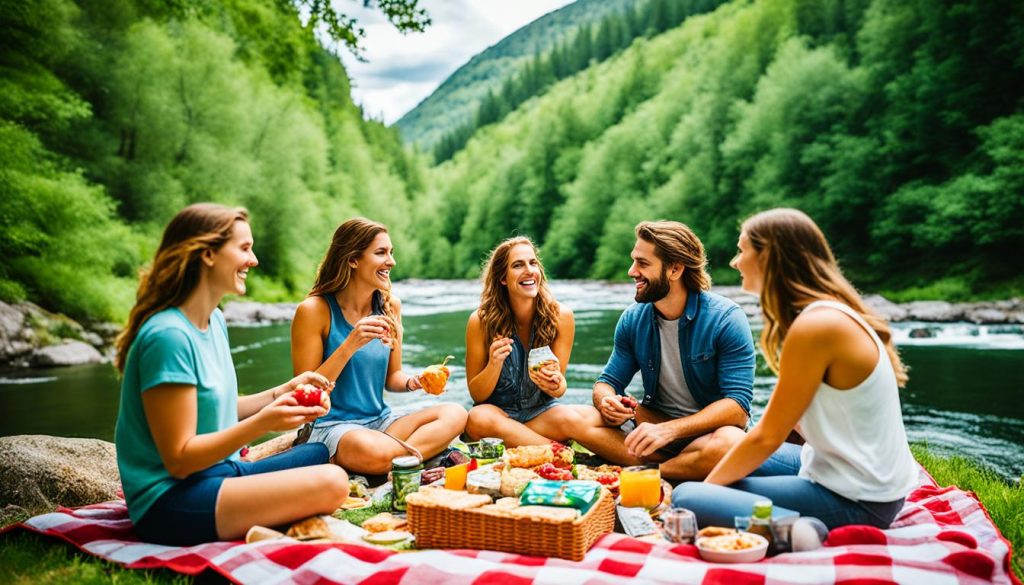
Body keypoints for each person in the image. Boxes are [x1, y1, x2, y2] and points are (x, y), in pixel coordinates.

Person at [114, 203, 348, 547]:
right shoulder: (168, 336)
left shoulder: (216, 321)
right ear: (208, 254)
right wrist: (263, 423)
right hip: (169, 501)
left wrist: (283, 391)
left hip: (217, 473)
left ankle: (256, 512)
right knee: (333, 483)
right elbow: (179, 461)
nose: (253, 260)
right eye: (244, 249)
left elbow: (220, 406)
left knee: (316, 453)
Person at [673, 208, 918, 529]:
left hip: (860, 501)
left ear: (769, 257)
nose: (735, 262)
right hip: (855, 476)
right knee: (725, 455)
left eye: (741, 250)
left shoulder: (816, 326)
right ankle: (783, 519)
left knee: (687, 497)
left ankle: (796, 530)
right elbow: (788, 426)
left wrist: (708, 491)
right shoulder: (826, 313)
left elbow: (767, 437)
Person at [291, 217, 467, 475]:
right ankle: (422, 457)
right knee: (369, 450)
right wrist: (350, 344)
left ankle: (396, 461)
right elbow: (303, 393)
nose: (391, 262)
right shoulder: (314, 311)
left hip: (382, 422)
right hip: (334, 428)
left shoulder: (390, 306)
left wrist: (417, 381)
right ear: (353, 259)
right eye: (381, 253)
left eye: (391, 253)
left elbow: (393, 378)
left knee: (456, 413)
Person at [593, 220, 756, 478]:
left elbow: (737, 407)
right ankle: (685, 467)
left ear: (675, 269)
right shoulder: (632, 318)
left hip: (706, 435)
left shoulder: (727, 318)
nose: (631, 271)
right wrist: (607, 401)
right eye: (634, 261)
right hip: (653, 425)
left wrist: (671, 430)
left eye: (643, 264)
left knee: (730, 441)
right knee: (576, 416)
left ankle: (649, 472)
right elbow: (607, 382)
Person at [464, 236, 633, 460]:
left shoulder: (561, 316)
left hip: (541, 414)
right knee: (477, 418)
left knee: (590, 417)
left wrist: (556, 383)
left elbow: (559, 387)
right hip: (498, 416)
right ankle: (564, 454)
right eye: (517, 265)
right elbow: (476, 393)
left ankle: (651, 463)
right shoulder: (480, 321)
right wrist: (494, 364)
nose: (529, 270)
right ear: (502, 278)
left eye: (533, 263)